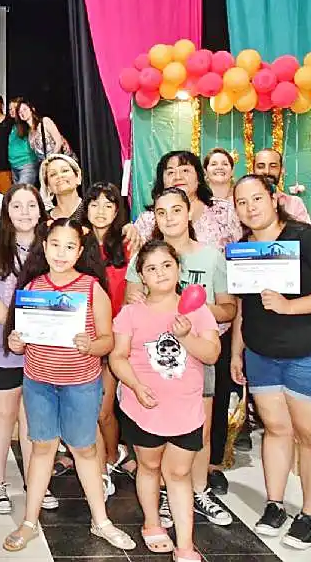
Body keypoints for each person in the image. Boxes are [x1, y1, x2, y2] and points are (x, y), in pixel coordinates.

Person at [3, 218, 135, 553]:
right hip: (39, 383)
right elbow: (22, 340)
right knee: (42, 448)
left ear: (80, 250)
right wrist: (17, 342)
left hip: (81, 384)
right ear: (44, 247)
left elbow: (107, 341)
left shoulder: (91, 287)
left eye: (70, 246)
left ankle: (101, 521)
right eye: (55, 245)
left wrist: (91, 345)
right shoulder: (32, 289)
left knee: (85, 450)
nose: (61, 253)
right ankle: (30, 521)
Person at [126, 188, 236, 528]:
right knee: (154, 435)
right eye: (161, 212)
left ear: (190, 213)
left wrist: (194, 312)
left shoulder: (212, 256)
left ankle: (199, 491)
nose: (170, 217)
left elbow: (229, 308)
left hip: (198, 356)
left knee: (196, 432)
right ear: (155, 218)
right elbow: (132, 303)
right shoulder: (144, 258)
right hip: (155, 363)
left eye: (177, 210)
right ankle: (159, 497)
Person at [111, 240, 220, 561]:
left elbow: (212, 354)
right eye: (151, 268)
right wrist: (135, 385)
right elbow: (118, 357)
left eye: (167, 265)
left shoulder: (197, 310)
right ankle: (152, 523)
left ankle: (185, 544)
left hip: (186, 409)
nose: (160, 273)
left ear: (179, 269)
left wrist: (186, 336)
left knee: (179, 473)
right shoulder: (130, 313)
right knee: (149, 465)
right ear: (141, 276)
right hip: (143, 406)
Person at [231, 174, 311, 550]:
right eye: (241, 202)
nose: (250, 207)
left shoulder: (307, 237)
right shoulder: (242, 248)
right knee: (275, 429)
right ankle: (275, 503)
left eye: (257, 198)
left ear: (273, 197)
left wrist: (290, 306)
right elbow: (241, 306)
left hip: (307, 352)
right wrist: (237, 349)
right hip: (260, 353)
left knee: (310, 435)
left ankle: (310, 514)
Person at [0, 184, 50, 515]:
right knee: (2, 416)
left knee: (33, 421)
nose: (25, 212)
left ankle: (36, 484)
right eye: (16, 206)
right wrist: (15, 328)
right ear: (6, 212)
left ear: (40, 210)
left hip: (42, 354)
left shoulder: (51, 248)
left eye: (31, 205)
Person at [81, 182, 134, 483]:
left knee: (103, 410)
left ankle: (113, 456)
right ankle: (95, 460)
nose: (101, 210)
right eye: (94, 203)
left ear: (117, 210)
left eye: (108, 204)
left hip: (115, 338)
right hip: (83, 339)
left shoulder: (128, 244)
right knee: (87, 410)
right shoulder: (77, 243)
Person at [135, 150, 242, 254]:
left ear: (199, 178)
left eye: (185, 171)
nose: (178, 177)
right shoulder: (147, 220)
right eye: (170, 172)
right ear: (162, 181)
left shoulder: (225, 211)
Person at [11, 100, 73, 184]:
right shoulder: (29, 132)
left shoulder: (45, 121)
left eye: (25, 109)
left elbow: (58, 141)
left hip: (60, 162)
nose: (22, 113)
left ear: (32, 109)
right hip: (46, 168)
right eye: (20, 112)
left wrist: (51, 160)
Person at [253, 148, 311, 224]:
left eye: (273, 166)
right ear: (253, 170)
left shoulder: (294, 203)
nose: (267, 171)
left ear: (282, 170)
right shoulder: (243, 203)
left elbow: (308, 234)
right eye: (261, 166)